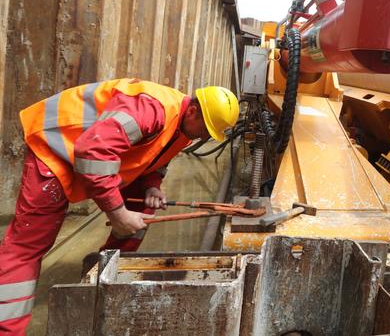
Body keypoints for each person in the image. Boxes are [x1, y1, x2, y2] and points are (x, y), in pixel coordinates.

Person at [0, 78, 239, 333]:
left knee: (141, 215)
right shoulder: (151, 109)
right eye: (206, 129)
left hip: (87, 151)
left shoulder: (184, 128)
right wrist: (117, 212)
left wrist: (152, 185)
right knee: (28, 246)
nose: (205, 137)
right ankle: (7, 327)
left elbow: (154, 156)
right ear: (193, 110)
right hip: (55, 146)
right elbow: (92, 151)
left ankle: (100, 275)